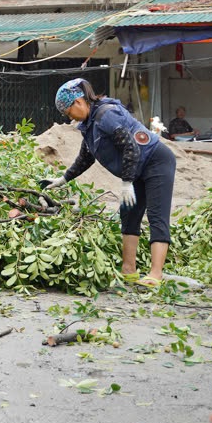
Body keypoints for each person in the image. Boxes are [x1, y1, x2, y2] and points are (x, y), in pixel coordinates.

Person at [42, 78, 176, 287]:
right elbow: (86, 158)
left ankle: (156, 274)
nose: (69, 118)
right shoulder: (88, 124)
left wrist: (126, 183)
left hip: (155, 161)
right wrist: (62, 179)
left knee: (156, 215)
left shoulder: (106, 115)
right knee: (128, 213)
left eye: (69, 112)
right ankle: (128, 271)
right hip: (136, 168)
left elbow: (130, 147)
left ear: (78, 101)